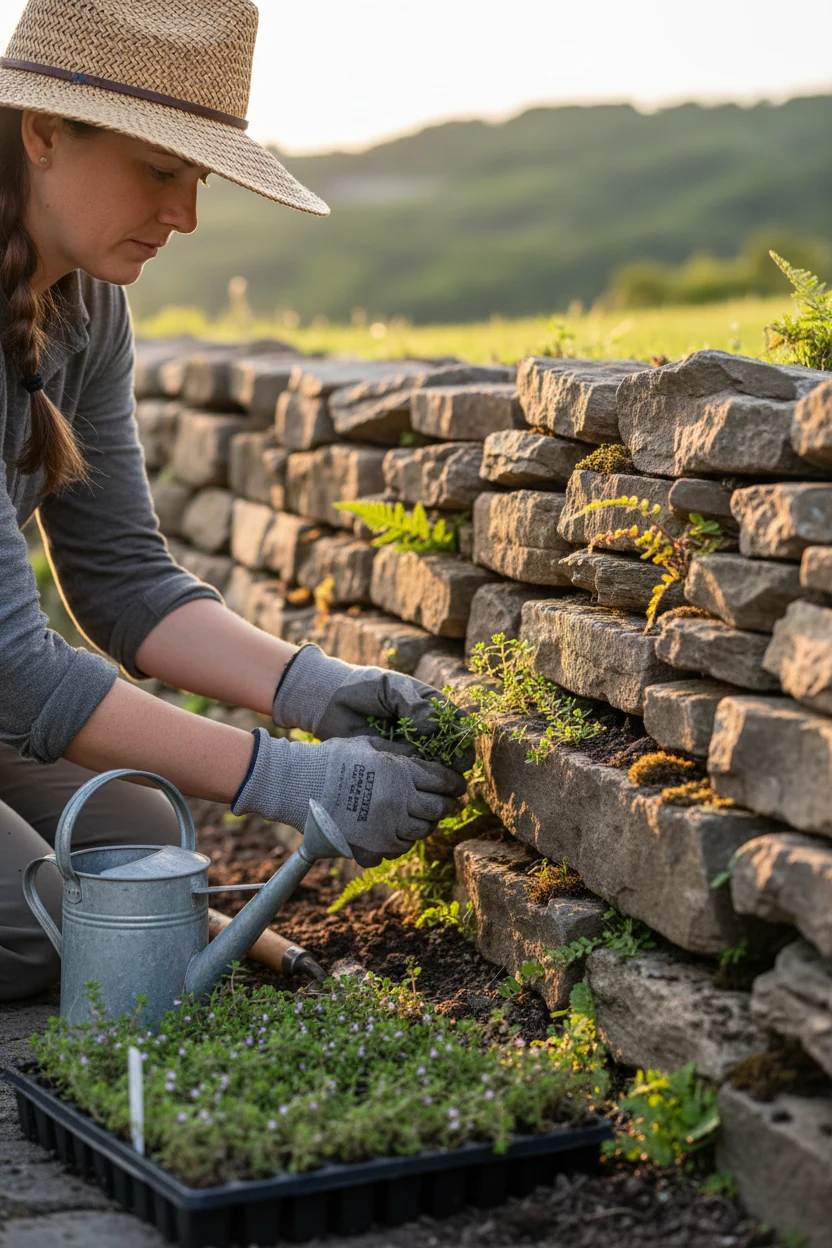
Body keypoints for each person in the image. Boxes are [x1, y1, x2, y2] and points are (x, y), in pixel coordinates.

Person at [0, 0, 468, 1002]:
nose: (186, 216)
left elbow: (124, 583)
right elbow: (16, 673)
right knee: (35, 930)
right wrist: (289, 779)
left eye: (199, 177)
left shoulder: (90, 305)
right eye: (161, 170)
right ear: (44, 132)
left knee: (143, 840)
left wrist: (311, 686)